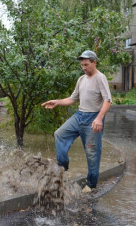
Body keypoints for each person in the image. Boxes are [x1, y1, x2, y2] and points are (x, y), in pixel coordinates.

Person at [41, 50, 112, 193]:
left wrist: (99, 118)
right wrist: (57, 102)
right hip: (79, 116)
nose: (84, 68)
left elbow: (108, 100)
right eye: (82, 65)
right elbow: (73, 99)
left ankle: (91, 185)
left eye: (86, 64)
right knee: (59, 134)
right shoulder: (81, 79)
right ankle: (63, 167)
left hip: (93, 118)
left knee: (92, 153)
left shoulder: (100, 78)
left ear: (94, 62)